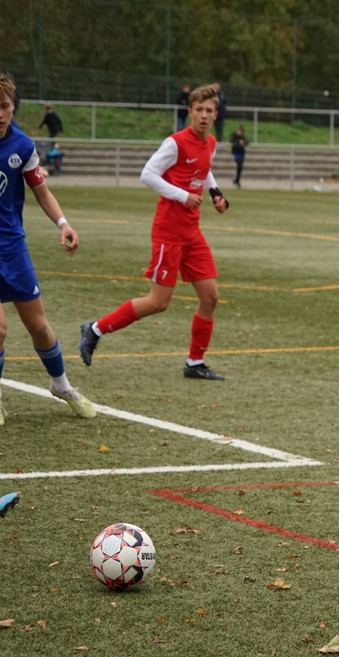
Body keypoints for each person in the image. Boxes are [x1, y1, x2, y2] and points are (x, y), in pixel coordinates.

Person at [78, 84, 231, 381]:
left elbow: (204, 169)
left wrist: (216, 194)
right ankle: (95, 329)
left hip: (192, 233)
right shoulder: (175, 143)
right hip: (168, 233)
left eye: (209, 110)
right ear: (190, 112)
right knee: (158, 302)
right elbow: (147, 174)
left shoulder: (210, 142)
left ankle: (195, 362)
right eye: (198, 110)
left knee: (210, 296)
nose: (203, 115)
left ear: (216, 114)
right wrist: (182, 195)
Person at [0, 74, 97, 425]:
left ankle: (61, 385)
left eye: (4, 106)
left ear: (13, 107)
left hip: (11, 248)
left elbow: (41, 192)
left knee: (39, 328)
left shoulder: (22, 146)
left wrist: (63, 224)